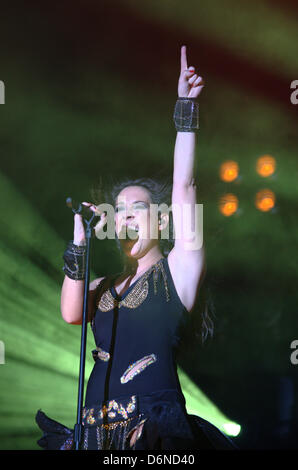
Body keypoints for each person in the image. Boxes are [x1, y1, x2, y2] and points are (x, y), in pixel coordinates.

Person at [35, 45, 236, 450]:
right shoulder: (104, 287)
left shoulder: (176, 272)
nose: (124, 216)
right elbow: (72, 313)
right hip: (94, 431)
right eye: (119, 209)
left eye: (136, 208)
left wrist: (185, 110)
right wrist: (78, 245)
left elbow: (184, 188)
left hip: (151, 430)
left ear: (161, 220)